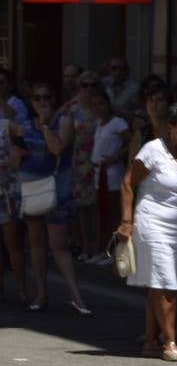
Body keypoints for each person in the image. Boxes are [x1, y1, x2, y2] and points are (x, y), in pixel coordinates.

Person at [117, 102, 177, 361]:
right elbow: (127, 183)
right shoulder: (152, 150)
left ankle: (151, 341)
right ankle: (170, 341)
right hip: (151, 223)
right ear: (170, 127)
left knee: (169, 285)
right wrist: (126, 221)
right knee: (166, 283)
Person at [19, 81, 92, 316]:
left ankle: (77, 297)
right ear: (31, 102)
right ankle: (41, 294)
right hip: (32, 189)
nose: (43, 102)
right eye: (37, 98)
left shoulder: (64, 121)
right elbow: (17, 157)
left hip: (57, 191)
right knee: (36, 243)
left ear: (54, 99)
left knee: (59, 244)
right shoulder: (24, 125)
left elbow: (58, 149)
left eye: (47, 97)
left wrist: (44, 126)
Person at [59, 70, 102, 259]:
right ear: (79, 87)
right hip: (80, 162)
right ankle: (85, 245)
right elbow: (55, 124)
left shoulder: (102, 105)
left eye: (93, 85)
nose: (89, 89)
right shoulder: (72, 108)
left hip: (100, 162)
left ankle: (100, 247)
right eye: (85, 85)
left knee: (98, 208)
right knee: (82, 207)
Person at [89, 86, 128, 265]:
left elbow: (131, 140)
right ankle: (103, 250)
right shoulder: (99, 124)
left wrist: (116, 156)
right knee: (102, 215)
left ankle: (115, 253)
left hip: (112, 176)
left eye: (101, 104)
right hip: (99, 176)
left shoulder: (118, 123)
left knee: (113, 215)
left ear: (108, 104)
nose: (98, 108)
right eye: (95, 105)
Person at [0, 114, 25, 303]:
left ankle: (21, 290)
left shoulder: (6, 125)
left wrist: (18, 157)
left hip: (6, 194)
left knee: (13, 245)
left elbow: (26, 141)